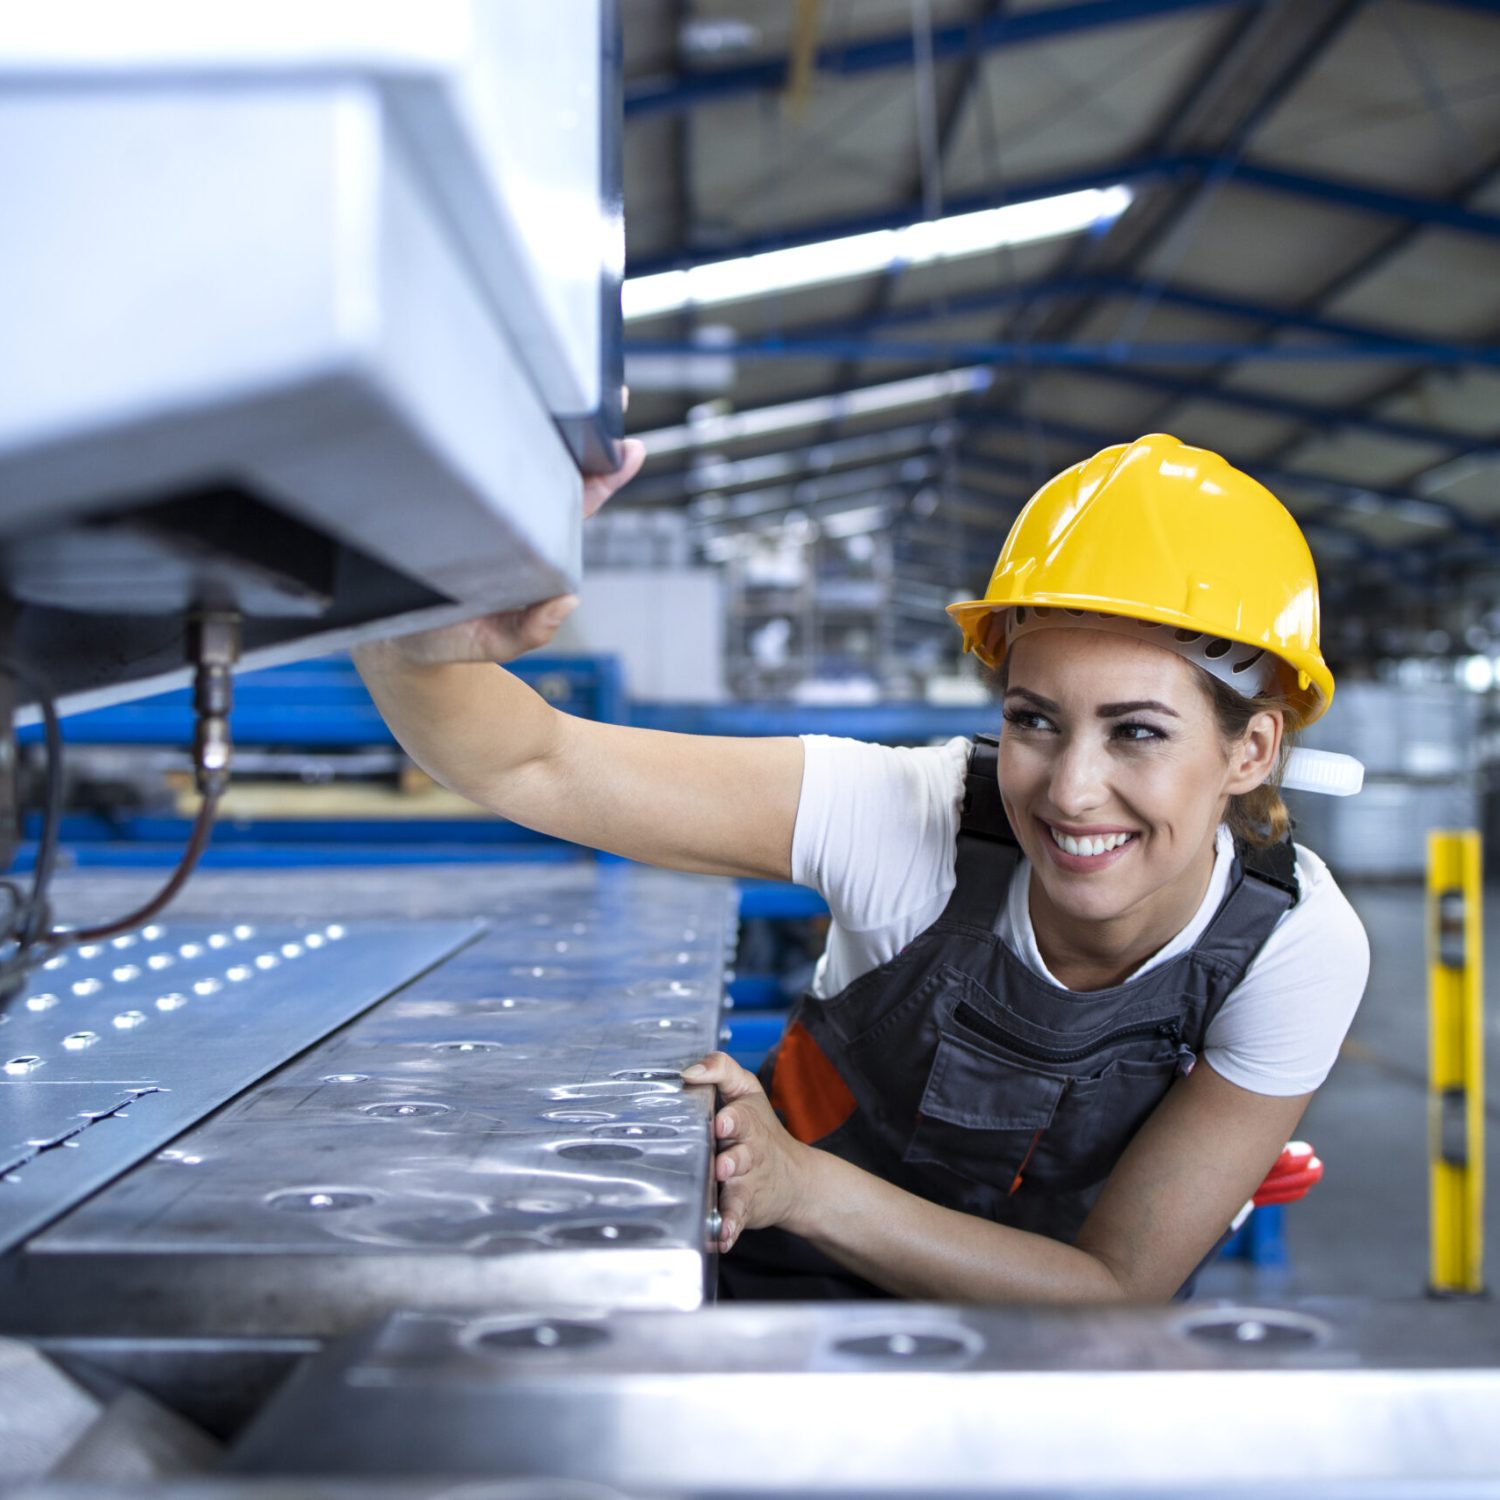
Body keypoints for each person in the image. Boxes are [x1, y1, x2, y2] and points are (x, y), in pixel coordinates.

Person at [354, 432, 1369, 1303]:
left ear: (1252, 751)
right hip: (774, 1303)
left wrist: (807, 1187)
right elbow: (535, 761)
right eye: (1034, 721)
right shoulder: (909, 817)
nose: (1069, 790)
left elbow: (1114, 1288)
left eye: (1137, 732)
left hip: (1051, 1370)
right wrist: (412, 636)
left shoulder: (1288, 948)